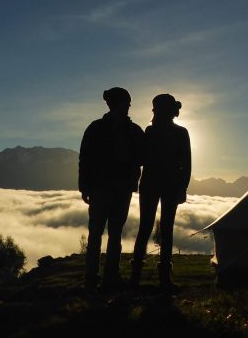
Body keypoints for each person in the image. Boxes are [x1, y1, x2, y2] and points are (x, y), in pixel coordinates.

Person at [79, 87, 144, 291]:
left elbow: (85, 159)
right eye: (127, 103)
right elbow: (85, 159)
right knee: (110, 233)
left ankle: (95, 277)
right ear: (120, 103)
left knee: (99, 233)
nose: (129, 107)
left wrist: (84, 186)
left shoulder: (96, 128)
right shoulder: (133, 131)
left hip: (103, 188)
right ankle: (107, 277)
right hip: (115, 188)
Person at [130, 93, 191, 291]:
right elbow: (186, 164)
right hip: (170, 185)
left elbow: (140, 159)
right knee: (166, 229)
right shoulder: (181, 133)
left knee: (145, 228)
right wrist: (183, 187)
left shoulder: (150, 131)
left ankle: (135, 278)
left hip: (150, 184)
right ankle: (164, 279)